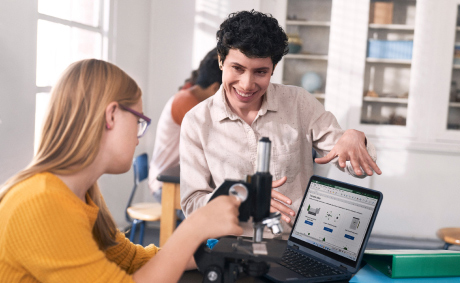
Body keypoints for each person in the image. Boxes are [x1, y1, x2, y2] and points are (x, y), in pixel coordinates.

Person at [0, 59, 242, 282]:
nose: (139, 139)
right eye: (138, 121)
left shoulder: (82, 195)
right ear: (112, 115)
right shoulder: (42, 202)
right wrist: (193, 229)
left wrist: (212, 252)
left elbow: (132, 260)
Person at [180, 10, 382, 238]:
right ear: (221, 60)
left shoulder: (299, 103)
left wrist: (355, 139)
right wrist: (239, 198)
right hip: (230, 245)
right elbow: (191, 205)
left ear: (273, 69)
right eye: (238, 68)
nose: (247, 84)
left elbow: (358, 169)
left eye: (260, 72)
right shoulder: (197, 121)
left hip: (294, 244)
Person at [148, 48, 222, 201]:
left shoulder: (193, 99)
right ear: (215, 87)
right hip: (166, 185)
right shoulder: (187, 102)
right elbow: (214, 145)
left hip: (179, 181)